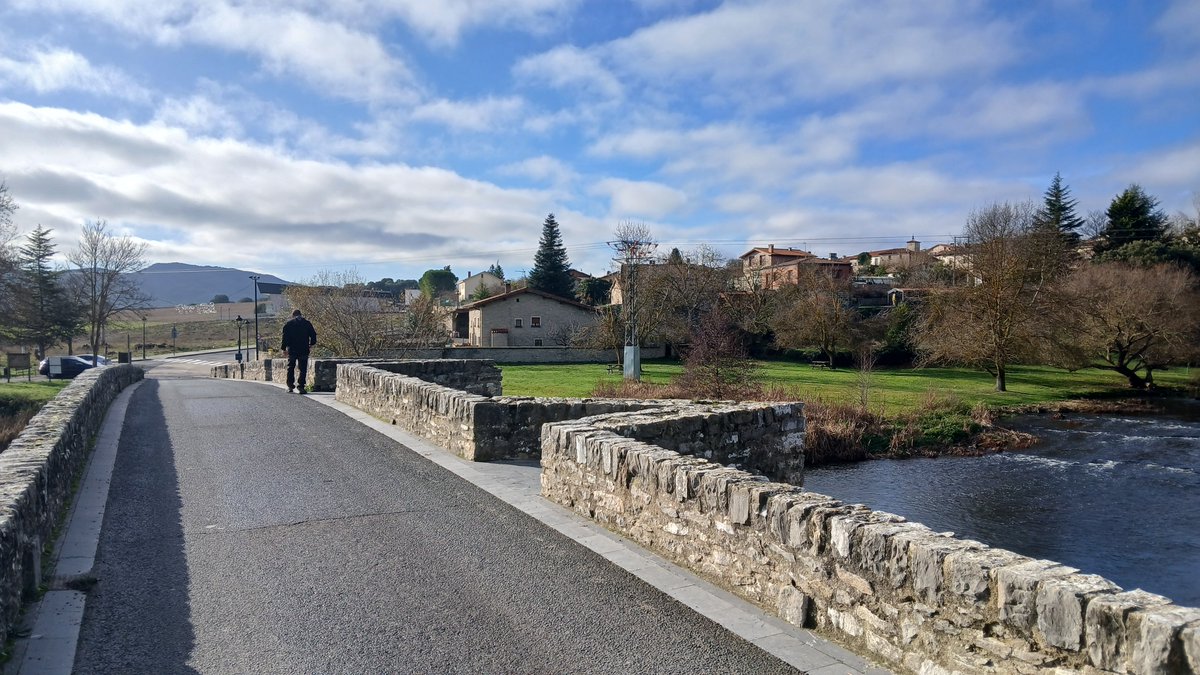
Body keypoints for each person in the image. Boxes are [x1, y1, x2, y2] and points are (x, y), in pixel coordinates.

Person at [280, 309, 317, 393]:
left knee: (291, 367)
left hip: (292, 349)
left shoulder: (288, 324)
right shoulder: (307, 324)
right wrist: (311, 344)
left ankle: (290, 386)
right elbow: (313, 335)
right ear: (301, 314)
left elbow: (284, 337)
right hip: (303, 349)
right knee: (303, 368)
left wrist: (283, 348)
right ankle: (301, 387)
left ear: (293, 315)